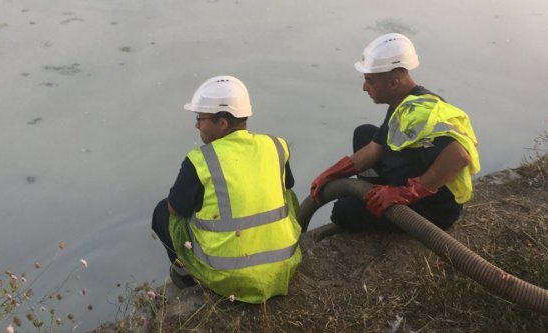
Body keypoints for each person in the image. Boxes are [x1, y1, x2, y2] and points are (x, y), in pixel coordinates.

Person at [151, 75, 302, 303]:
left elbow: (175, 209)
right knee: (286, 192)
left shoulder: (201, 160)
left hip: (228, 279)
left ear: (222, 123)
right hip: (284, 266)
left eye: (200, 119)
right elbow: (286, 190)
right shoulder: (276, 145)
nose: (197, 125)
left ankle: (187, 275)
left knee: (163, 212)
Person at [309, 33, 480, 232]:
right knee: (364, 134)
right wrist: (329, 175)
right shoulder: (404, 103)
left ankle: (380, 202)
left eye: (370, 81)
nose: (364, 87)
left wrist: (404, 193)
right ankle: (374, 197)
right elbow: (373, 150)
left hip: (431, 209)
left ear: (393, 82)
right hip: (407, 177)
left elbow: (458, 157)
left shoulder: (419, 114)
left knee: (343, 211)